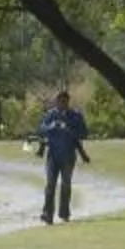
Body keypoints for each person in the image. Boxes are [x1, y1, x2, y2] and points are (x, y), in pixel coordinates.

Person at [36, 88, 89, 223]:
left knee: (66, 184)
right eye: (59, 101)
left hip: (68, 155)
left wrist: (68, 129)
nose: (62, 104)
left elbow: (84, 133)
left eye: (64, 101)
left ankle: (64, 213)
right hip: (53, 156)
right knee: (50, 184)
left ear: (68, 101)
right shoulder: (50, 115)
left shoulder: (75, 116)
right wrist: (52, 126)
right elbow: (41, 130)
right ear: (56, 101)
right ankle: (48, 214)